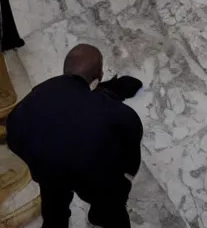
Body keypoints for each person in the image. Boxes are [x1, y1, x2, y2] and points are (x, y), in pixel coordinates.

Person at [7, 44, 143, 228]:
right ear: (99, 77)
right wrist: (125, 177)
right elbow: (131, 137)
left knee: (54, 205)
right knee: (112, 205)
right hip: (88, 174)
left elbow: (14, 127)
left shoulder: (40, 91)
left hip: (44, 164)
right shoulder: (115, 113)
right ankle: (101, 215)